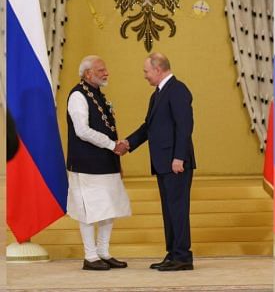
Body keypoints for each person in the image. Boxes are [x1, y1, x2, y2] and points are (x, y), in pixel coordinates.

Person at [122, 52, 196, 271]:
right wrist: (128, 143)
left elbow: (185, 126)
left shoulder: (178, 89)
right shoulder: (158, 94)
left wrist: (179, 157)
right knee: (169, 210)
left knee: (178, 209)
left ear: (158, 69)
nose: (145, 76)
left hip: (176, 163)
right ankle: (173, 253)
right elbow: (149, 126)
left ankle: (183, 256)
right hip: (163, 163)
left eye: (146, 71)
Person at [66, 55, 131, 271]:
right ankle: (90, 256)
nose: (106, 73)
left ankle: (103, 252)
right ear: (87, 74)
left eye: (105, 69)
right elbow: (81, 130)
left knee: (108, 208)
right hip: (86, 164)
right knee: (89, 211)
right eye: (101, 70)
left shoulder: (99, 95)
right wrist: (112, 145)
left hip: (106, 161)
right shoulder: (77, 95)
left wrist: (115, 153)